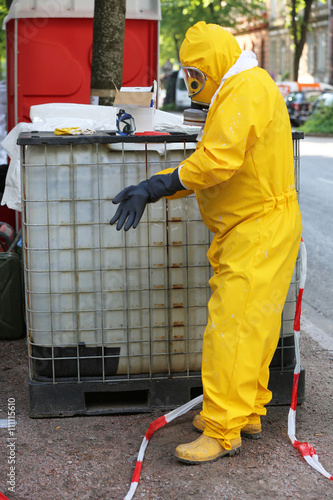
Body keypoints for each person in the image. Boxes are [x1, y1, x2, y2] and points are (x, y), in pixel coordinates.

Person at [110, 21, 302, 464]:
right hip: (254, 225)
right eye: (188, 76)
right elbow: (215, 159)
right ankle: (247, 410)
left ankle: (221, 429)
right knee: (252, 324)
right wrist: (162, 184)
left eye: (197, 74)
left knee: (231, 327)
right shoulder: (236, 89)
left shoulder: (245, 91)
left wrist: (158, 185)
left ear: (215, 64)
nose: (194, 84)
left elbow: (216, 160)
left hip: (259, 226)